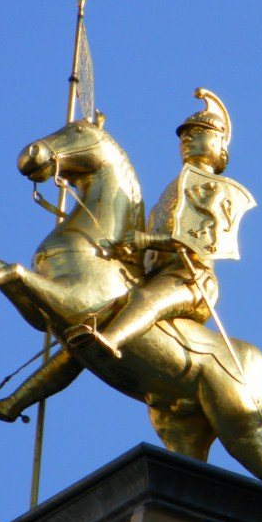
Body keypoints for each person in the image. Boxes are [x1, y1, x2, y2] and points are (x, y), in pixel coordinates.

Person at [64, 89, 234, 358]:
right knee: (91, 317)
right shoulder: (174, 188)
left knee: (144, 300)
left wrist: (145, 240)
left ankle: (111, 340)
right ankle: (13, 400)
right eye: (184, 136)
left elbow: (200, 242)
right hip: (155, 276)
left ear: (218, 143)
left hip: (190, 279)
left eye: (199, 133)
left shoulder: (216, 189)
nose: (187, 139)